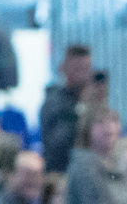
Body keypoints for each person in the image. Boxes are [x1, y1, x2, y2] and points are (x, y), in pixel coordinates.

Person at [40, 44, 94, 174]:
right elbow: (58, 144)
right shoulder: (53, 102)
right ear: (64, 68)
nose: (83, 76)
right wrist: (81, 109)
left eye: (86, 69)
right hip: (59, 174)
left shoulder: (91, 101)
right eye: (77, 69)